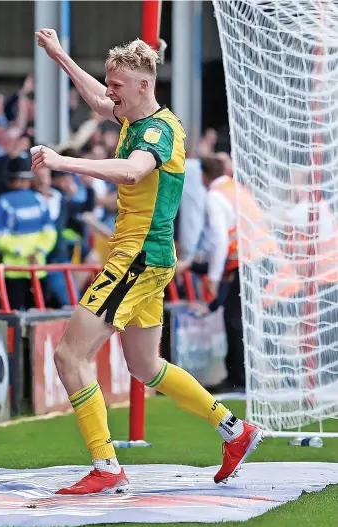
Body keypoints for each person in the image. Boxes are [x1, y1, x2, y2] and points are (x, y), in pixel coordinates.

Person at [32, 28, 263, 495]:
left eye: (118, 85)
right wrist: (60, 56)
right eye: (110, 83)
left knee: (69, 355)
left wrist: (65, 162)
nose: (110, 92)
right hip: (151, 258)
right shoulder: (132, 115)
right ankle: (234, 430)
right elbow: (98, 101)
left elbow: (136, 169)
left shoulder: (158, 131)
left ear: (144, 86)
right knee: (144, 365)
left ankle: (106, 464)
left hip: (136, 257)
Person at [178, 156, 303, 392]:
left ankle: (239, 378)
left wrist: (213, 280)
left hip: (250, 263)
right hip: (266, 261)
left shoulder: (215, 196)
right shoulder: (237, 189)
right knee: (245, 321)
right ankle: (254, 377)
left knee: (237, 321)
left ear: (204, 176)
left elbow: (220, 241)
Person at [0, 155, 56, 311]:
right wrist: (38, 251)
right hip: (36, 267)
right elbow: (50, 233)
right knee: (39, 315)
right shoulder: (40, 200)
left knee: (12, 315)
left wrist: (23, 252)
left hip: (12, 271)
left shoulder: (2, 202)